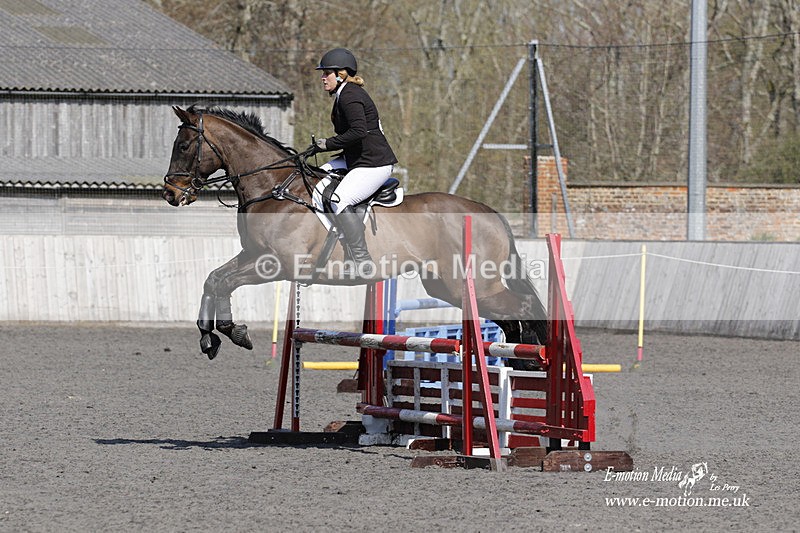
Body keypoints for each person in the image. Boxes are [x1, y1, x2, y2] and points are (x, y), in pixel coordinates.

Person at [309, 47, 398, 277]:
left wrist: (327, 144)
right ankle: (336, 234)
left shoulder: (350, 96)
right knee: (314, 177)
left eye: (326, 73)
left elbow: (358, 131)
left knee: (340, 198)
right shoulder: (343, 94)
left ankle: (361, 259)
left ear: (341, 74)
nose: (322, 77)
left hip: (374, 163)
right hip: (356, 159)